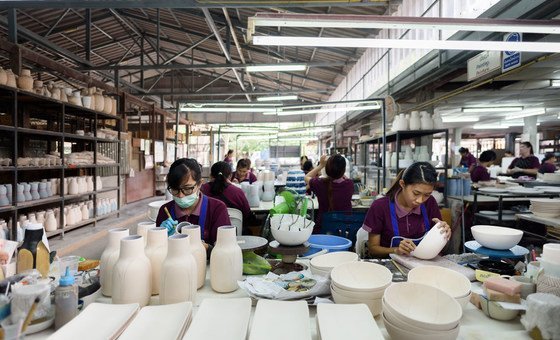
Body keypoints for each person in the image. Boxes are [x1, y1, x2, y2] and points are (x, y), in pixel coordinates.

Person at [361, 162, 451, 258]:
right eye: (416, 193)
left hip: (422, 264)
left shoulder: (430, 203)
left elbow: (438, 244)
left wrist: (443, 233)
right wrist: (395, 250)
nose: (420, 200)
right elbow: (373, 249)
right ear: (402, 184)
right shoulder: (380, 207)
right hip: (390, 265)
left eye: (427, 195)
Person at [156, 158, 231, 248]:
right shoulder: (165, 210)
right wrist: (160, 237)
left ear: (199, 184)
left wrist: (202, 247)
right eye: (175, 189)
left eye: (187, 189)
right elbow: (157, 251)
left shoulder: (217, 209)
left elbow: (225, 250)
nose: (180, 195)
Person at [304, 154, 353, 232]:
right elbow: (344, 177)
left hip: (323, 230)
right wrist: (338, 170)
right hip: (344, 231)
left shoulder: (320, 183)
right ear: (343, 170)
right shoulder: (349, 184)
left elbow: (306, 177)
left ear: (326, 169)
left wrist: (320, 165)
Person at [201, 161, 256, 228]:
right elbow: (247, 214)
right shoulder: (237, 192)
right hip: (234, 233)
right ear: (230, 176)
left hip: (206, 233)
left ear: (211, 175)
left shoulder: (201, 190)